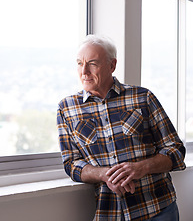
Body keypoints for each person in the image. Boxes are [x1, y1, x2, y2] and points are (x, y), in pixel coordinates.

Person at [57, 34, 186, 221]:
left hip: (158, 209)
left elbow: (176, 150)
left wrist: (140, 168)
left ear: (112, 65)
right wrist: (104, 175)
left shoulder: (143, 98)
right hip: (110, 213)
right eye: (79, 63)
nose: (84, 71)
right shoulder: (66, 109)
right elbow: (71, 164)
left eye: (92, 63)